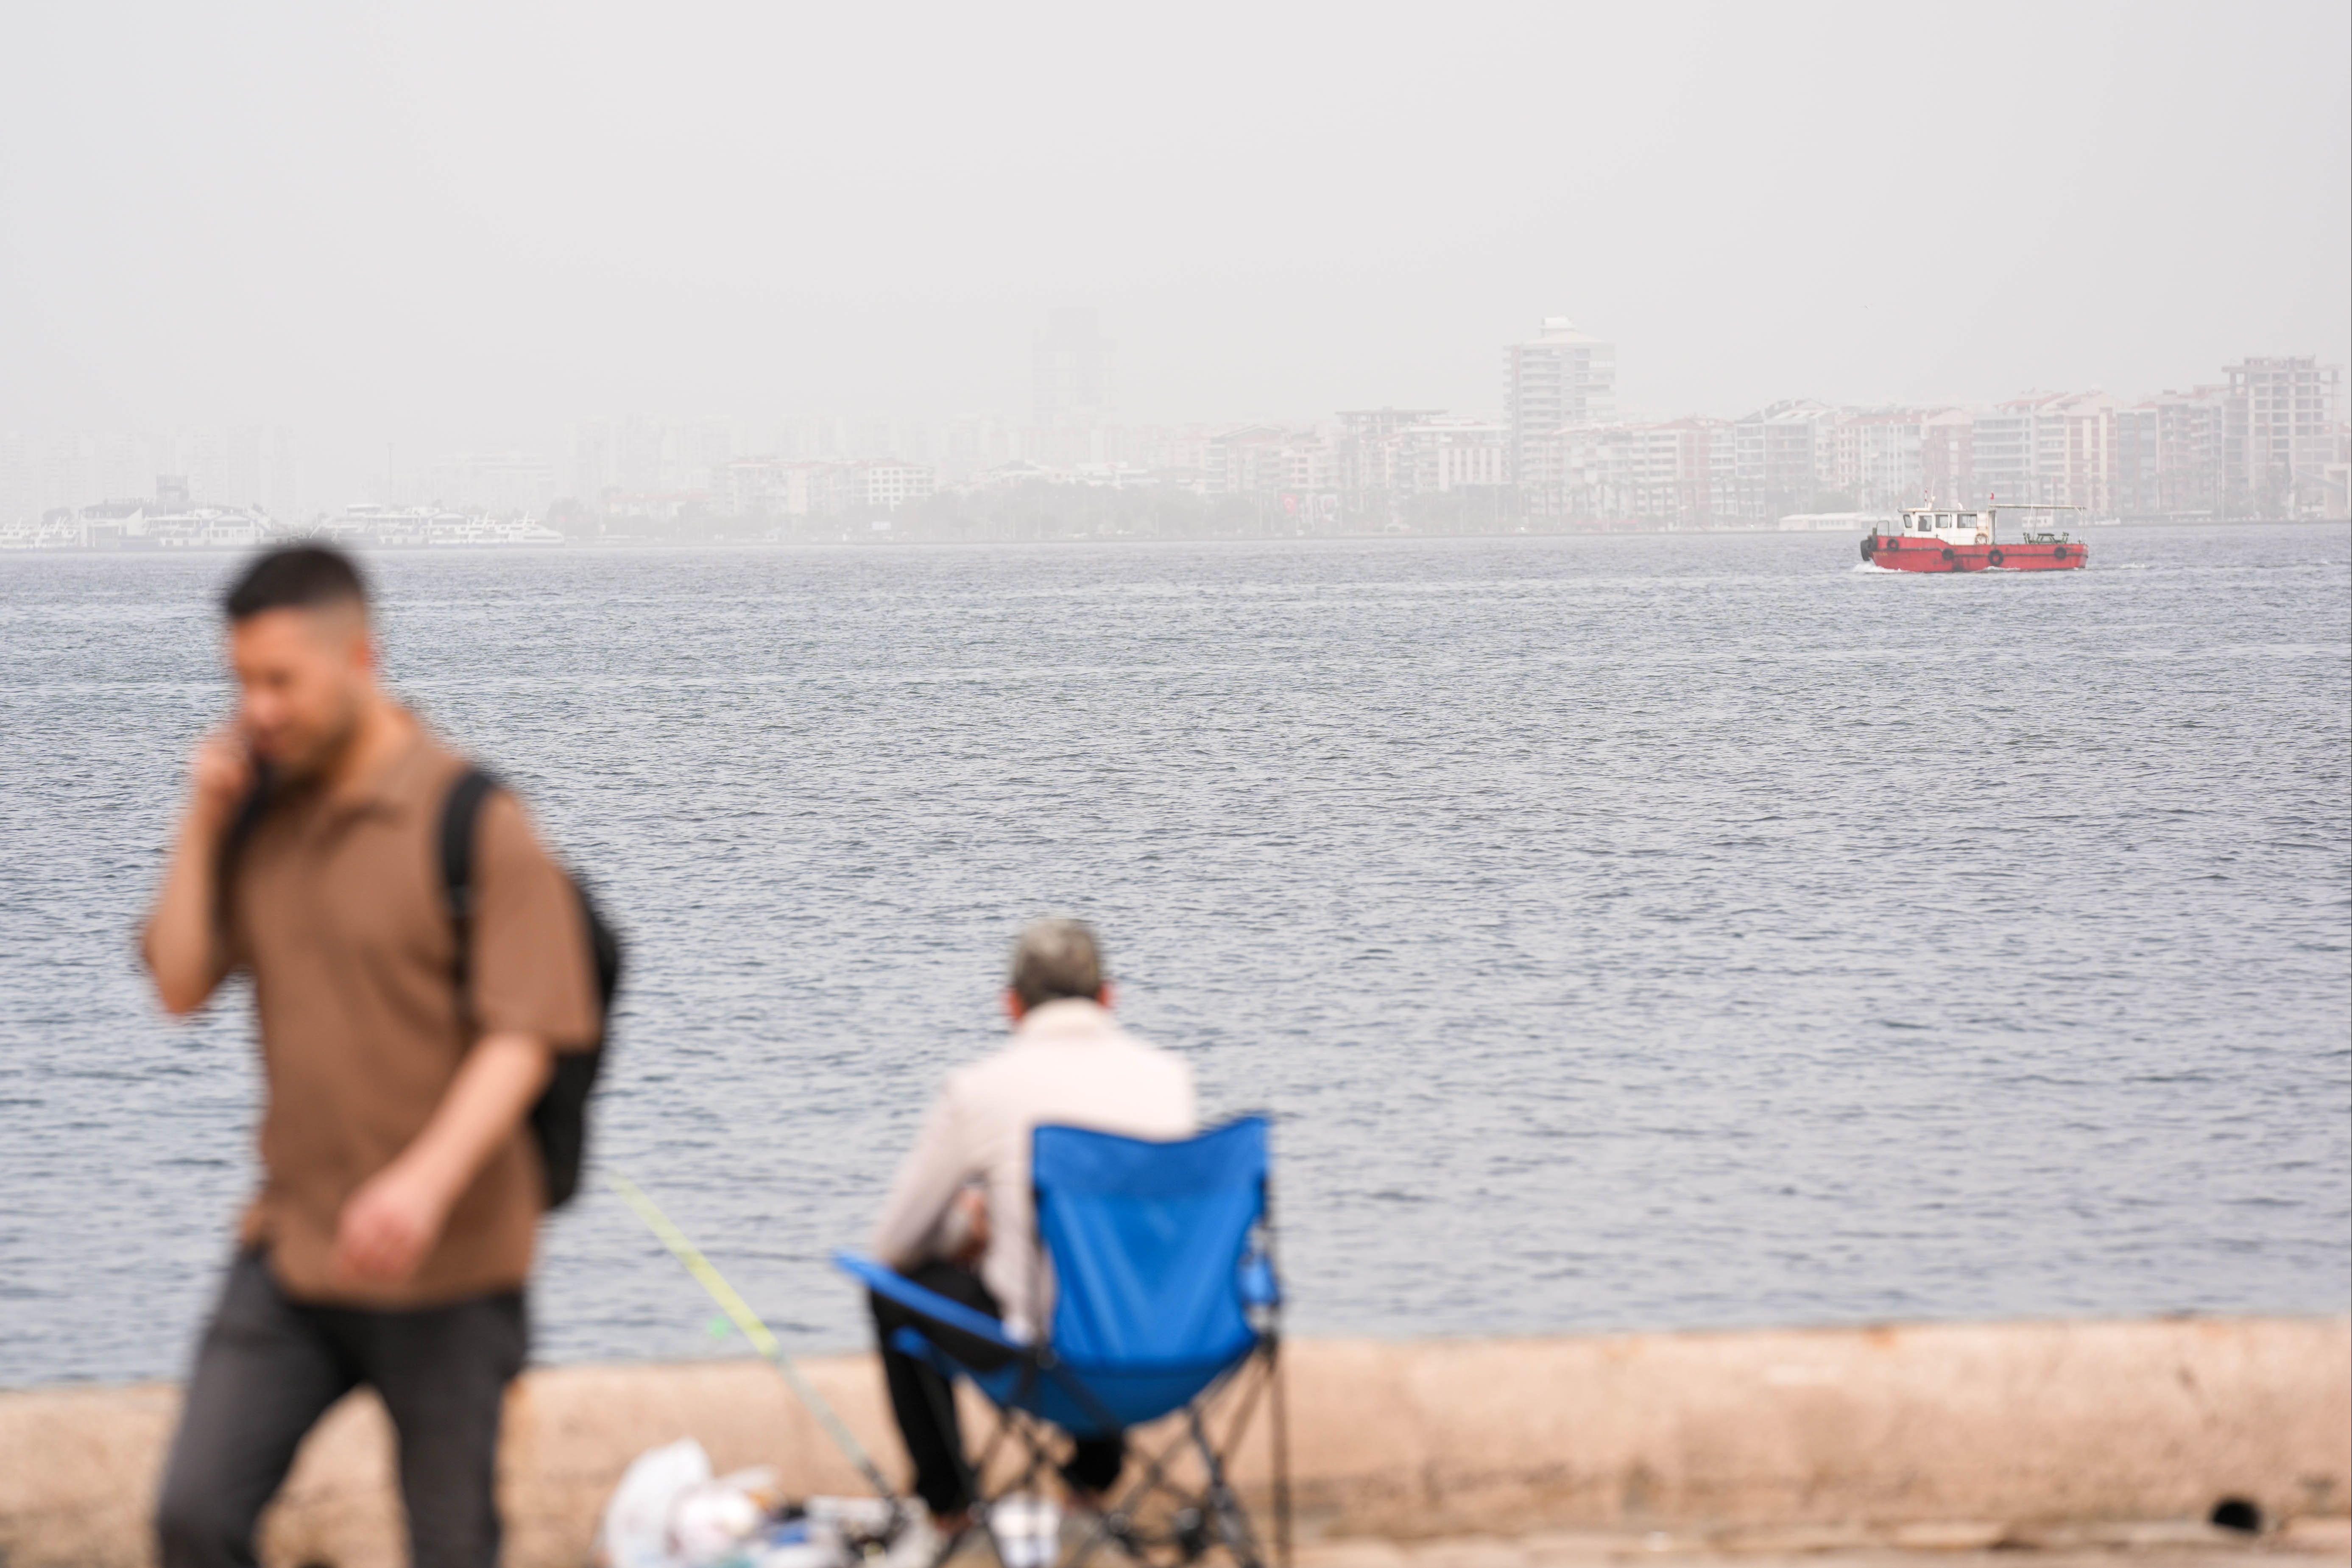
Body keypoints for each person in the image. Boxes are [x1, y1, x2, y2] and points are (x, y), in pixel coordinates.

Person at [142, 545, 600, 1568]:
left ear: (360, 657)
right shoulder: (263, 818)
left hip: (453, 1262)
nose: (256, 709)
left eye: (279, 682)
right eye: (241, 683)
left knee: (451, 1547)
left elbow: (524, 1036)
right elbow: (177, 986)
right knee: (194, 1512)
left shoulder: (476, 823)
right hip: (294, 1248)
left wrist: (421, 1186)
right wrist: (202, 816)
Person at [867, 918, 1196, 1546]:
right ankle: (1090, 1485)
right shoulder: (1170, 1078)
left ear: (1011, 1004)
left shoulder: (980, 1090)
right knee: (1107, 1282)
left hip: (1044, 1362)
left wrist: (968, 1231)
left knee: (892, 1288)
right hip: (1167, 1354)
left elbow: (892, 1246)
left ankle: (952, 1510)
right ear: (1109, 997)